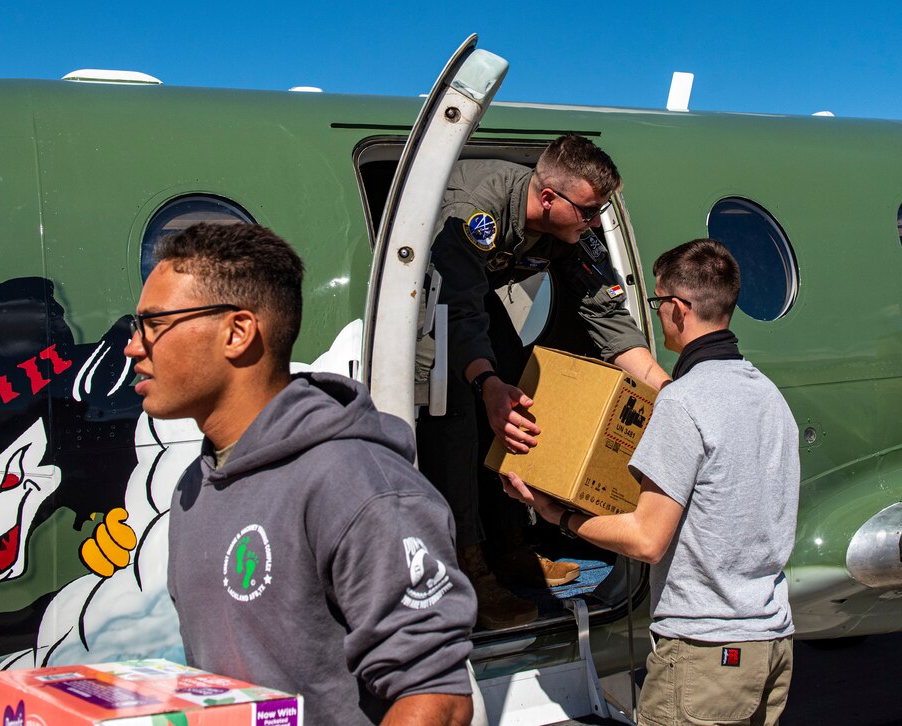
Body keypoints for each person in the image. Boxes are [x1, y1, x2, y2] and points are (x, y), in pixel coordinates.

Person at [124, 222, 478, 726]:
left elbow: (438, 700)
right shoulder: (194, 487)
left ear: (237, 332)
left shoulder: (356, 484)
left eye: (154, 324)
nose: (133, 347)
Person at [503, 239, 800, 725]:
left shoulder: (684, 403)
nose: (658, 313)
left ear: (679, 308)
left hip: (706, 653)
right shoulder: (768, 396)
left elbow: (646, 540)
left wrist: (558, 515)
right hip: (771, 644)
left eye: (658, 302)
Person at [420, 134, 669, 629]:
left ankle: (511, 544)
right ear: (550, 198)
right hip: (432, 305)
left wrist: (669, 393)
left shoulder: (569, 228)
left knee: (521, 384)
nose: (595, 222)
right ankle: (465, 567)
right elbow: (458, 308)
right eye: (589, 211)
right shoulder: (476, 212)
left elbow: (604, 309)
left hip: (472, 302)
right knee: (457, 412)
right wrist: (486, 386)